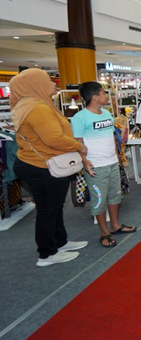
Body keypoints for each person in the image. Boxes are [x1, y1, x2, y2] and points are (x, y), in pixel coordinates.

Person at [10, 69, 89, 267]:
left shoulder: (30, 105)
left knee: (54, 208)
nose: (53, 83)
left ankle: (59, 242)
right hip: (42, 165)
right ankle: (46, 253)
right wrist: (78, 146)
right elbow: (53, 138)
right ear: (35, 84)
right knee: (48, 209)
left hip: (41, 163)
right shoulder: (37, 108)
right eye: (48, 80)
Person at [71, 82, 137, 248]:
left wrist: (117, 157)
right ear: (95, 97)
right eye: (103, 93)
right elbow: (76, 143)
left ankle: (115, 225)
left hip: (112, 162)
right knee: (99, 198)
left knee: (115, 195)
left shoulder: (107, 114)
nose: (106, 96)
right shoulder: (80, 118)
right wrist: (84, 162)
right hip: (95, 165)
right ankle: (104, 232)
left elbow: (111, 138)